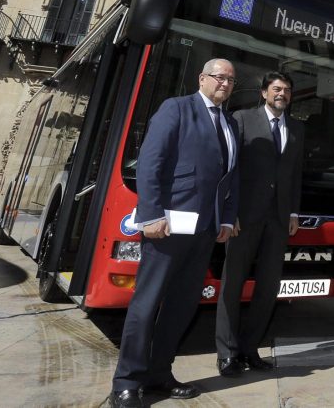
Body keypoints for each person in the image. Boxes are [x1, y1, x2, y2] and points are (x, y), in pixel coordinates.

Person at [109, 59, 239, 408]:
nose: (225, 83)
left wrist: (226, 219)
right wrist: (150, 214)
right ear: (202, 78)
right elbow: (151, 161)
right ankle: (127, 381)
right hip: (167, 227)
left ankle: (158, 374)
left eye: (230, 80)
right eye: (219, 77)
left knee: (181, 306)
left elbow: (230, 178)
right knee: (147, 304)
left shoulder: (229, 123)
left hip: (205, 231)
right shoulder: (177, 109)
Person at [216, 72, 305, 377]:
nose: (282, 94)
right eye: (277, 89)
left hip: (278, 220)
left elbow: (295, 175)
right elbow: (229, 167)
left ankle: (249, 349)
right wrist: (230, 213)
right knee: (232, 284)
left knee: (268, 287)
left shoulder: (295, 129)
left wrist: (293, 213)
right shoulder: (241, 119)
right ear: (265, 92)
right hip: (244, 217)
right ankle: (226, 353)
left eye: (287, 90)